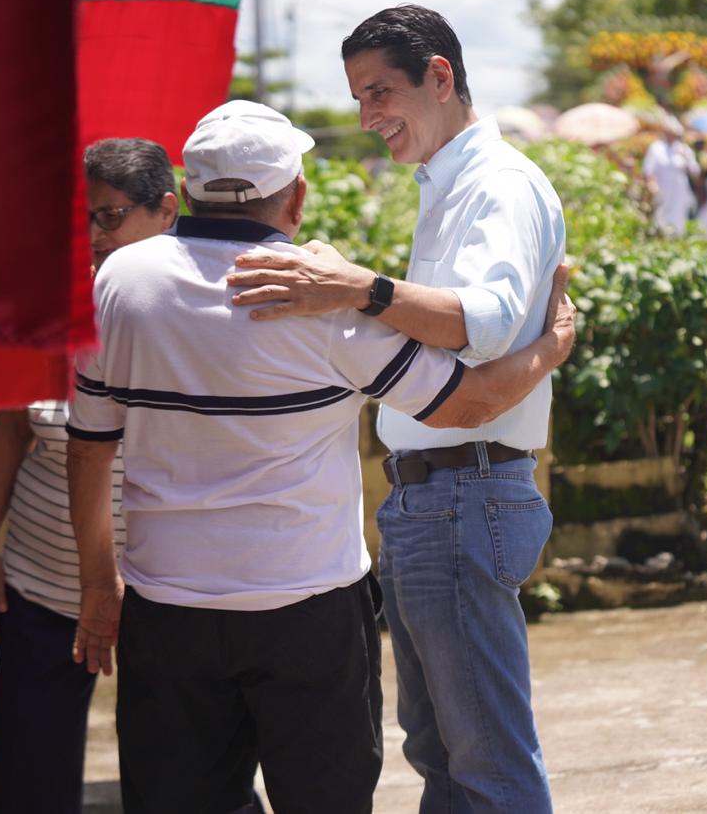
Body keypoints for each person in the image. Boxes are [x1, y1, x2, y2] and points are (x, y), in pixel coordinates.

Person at [67, 99, 577, 813]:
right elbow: (467, 404)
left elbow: (88, 450)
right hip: (307, 613)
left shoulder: (118, 285)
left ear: (184, 195)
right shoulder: (322, 297)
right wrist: (550, 348)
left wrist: (98, 586)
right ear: (296, 197)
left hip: (168, 609)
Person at [223, 5, 567, 812]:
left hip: (461, 493)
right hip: (435, 498)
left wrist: (357, 287)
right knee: (444, 754)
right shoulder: (452, 183)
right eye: (358, 99)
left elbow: (479, 325)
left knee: (487, 763)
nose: (369, 115)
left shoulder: (498, 184)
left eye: (381, 93)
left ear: (440, 77)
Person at [0, 139, 177, 813]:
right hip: (39, 588)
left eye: (110, 217)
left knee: (178, 778)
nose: (93, 236)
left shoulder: (201, 316)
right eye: (83, 219)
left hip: (159, 594)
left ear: (166, 212)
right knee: (30, 778)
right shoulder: (52, 309)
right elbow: (9, 429)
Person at [643, 121, 700, 234]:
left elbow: (695, 171)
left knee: (678, 214)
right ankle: (660, 235)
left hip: (679, 189)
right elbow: (649, 169)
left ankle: (677, 235)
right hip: (663, 186)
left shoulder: (684, 149)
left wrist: (686, 158)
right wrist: (652, 184)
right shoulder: (656, 148)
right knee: (661, 213)